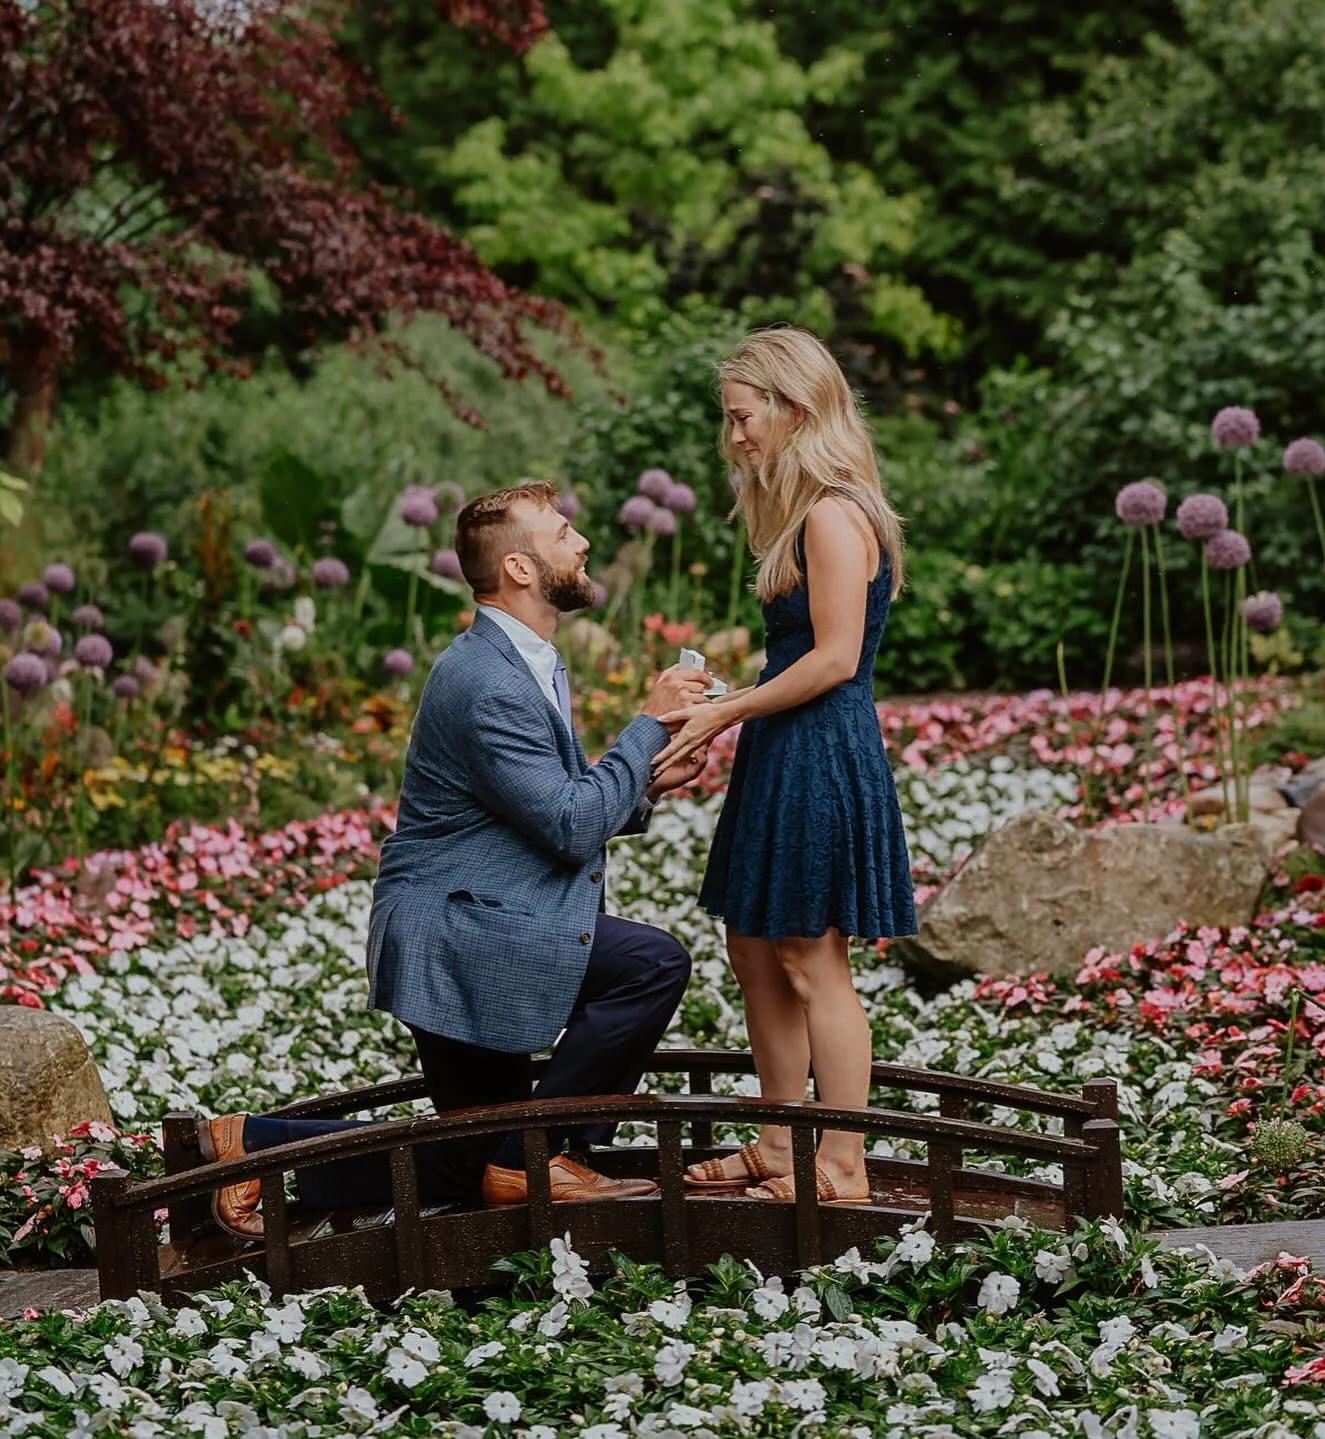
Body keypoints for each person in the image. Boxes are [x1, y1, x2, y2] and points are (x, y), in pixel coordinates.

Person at [201, 481, 712, 1238]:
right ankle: (543, 1155)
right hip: (461, 929)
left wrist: (645, 784)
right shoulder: (485, 680)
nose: (583, 543)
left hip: (475, 918)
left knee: (476, 1160)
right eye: (563, 532)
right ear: (519, 568)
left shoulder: (523, 660)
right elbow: (571, 825)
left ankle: (256, 1147)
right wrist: (644, 726)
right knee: (650, 965)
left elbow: (544, 804)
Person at [656, 327, 916, 1206]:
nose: (733, 436)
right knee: (754, 947)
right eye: (729, 419)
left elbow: (836, 658)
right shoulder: (799, 516)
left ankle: (842, 1163)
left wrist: (726, 710)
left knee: (811, 956)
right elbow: (800, 655)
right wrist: (728, 703)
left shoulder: (834, 514)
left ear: (796, 409)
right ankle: (777, 1140)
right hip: (782, 746)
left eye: (744, 417)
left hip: (821, 750)